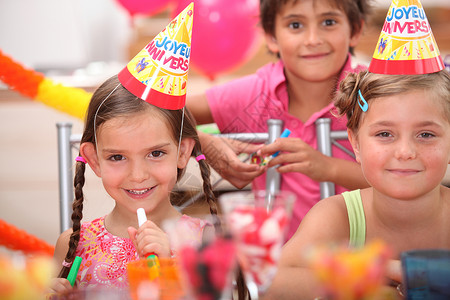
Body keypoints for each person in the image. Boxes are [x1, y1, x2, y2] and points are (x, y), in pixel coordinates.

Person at [187, 0, 372, 238]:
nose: (313, 39)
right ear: (271, 36)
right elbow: (157, 107)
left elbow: (405, 179)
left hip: (363, 264)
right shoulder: (256, 94)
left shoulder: (375, 92)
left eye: (329, 22)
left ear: (355, 30)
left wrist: (329, 168)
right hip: (279, 266)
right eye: (295, 25)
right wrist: (202, 142)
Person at [263, 67, 450, 299]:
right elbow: (271, 284)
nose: (405, 152)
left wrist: (398, 271)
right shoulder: (338, 215)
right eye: (384, 134)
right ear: (356, 144)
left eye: (426, 135)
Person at [47, 74, 217, 294]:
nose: (137, 176)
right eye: (117, 157)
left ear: (183, 152)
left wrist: (168, 272)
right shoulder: (74, 245)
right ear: (94, 160)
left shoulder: (206, 241)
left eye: (156, 153)